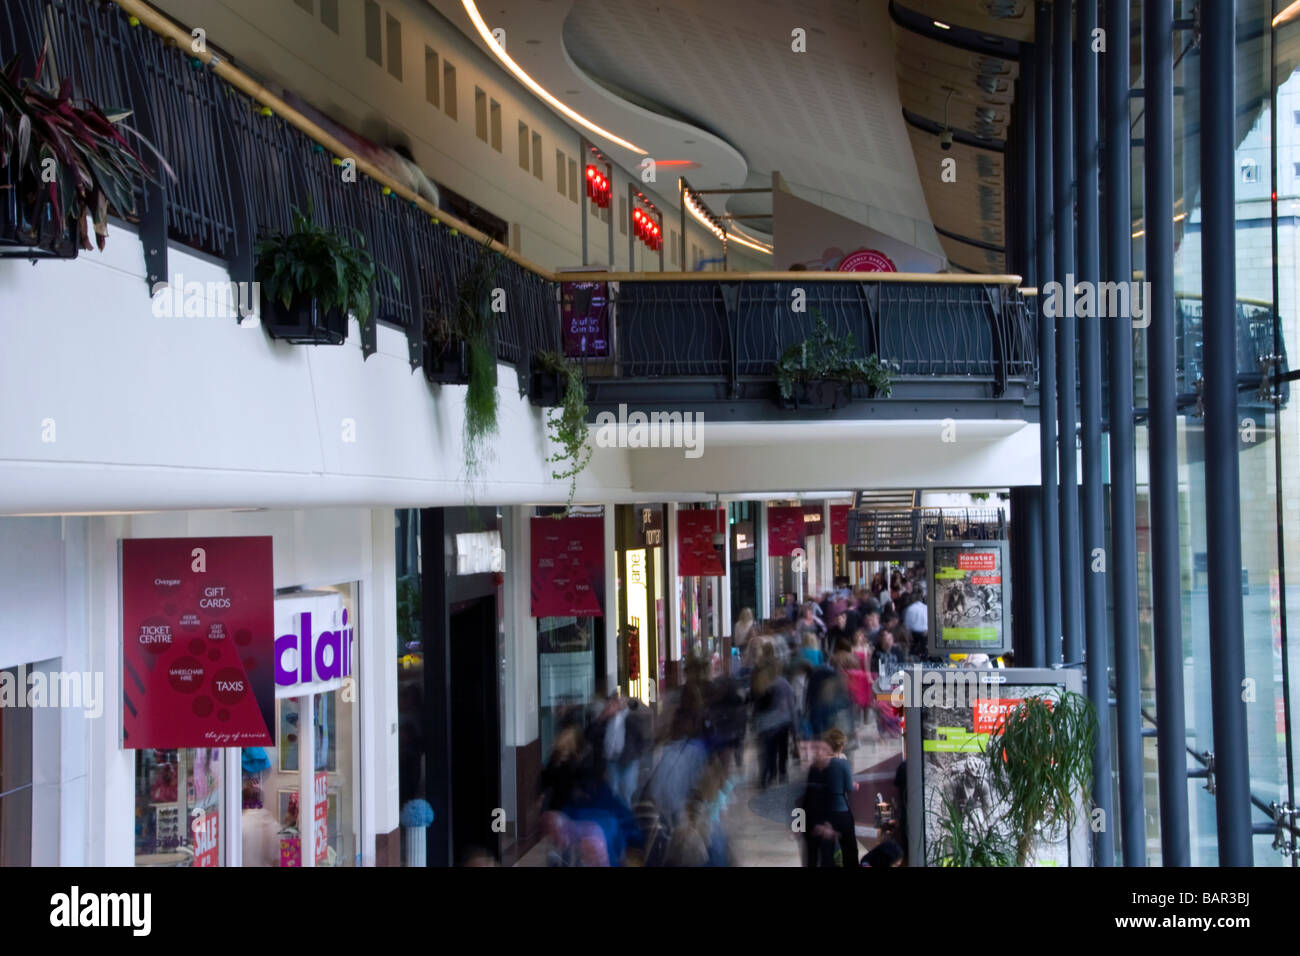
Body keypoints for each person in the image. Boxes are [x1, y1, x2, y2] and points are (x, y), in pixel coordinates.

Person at [822, 728, 860, 866]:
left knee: (827, 851)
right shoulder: (843, 763)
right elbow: (849, 788)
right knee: (849, 848)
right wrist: (853, 785)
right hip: (842, 811)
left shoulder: (819, 764)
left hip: (825, 812)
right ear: (841, 745)